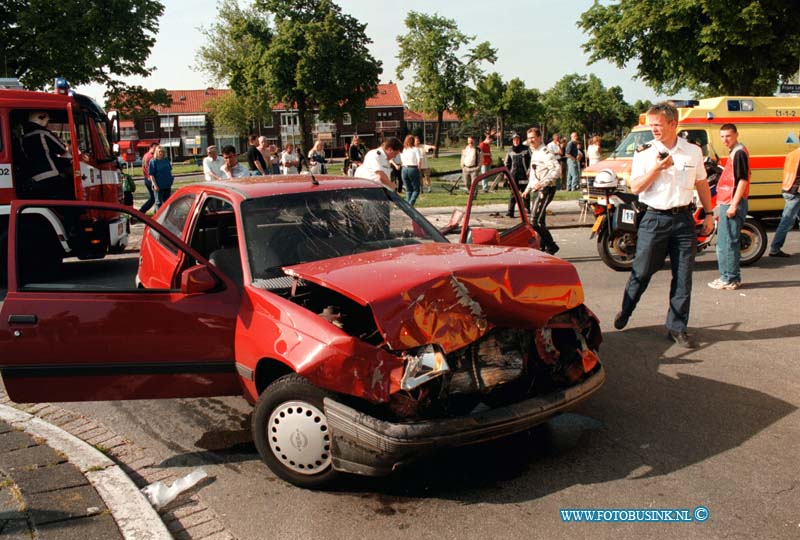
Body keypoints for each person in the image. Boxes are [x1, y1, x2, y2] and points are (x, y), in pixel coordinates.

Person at [613, 102, 714, 349]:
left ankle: (677, 327)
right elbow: (636, 187)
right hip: (654, 219)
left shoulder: (692, 151)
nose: (653, 129)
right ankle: (627, 309)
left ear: (673, 124)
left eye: (657, 125)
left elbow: (701, 183)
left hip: (683, 221)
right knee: (643, 271)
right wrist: (657, 169)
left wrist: (709, 214)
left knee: (683, 277)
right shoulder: (644, 152)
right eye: (651, 125)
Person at [708, 124, 750, 290]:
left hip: (733, 203)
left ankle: (730, 278)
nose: (725, 140)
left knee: (728, 242)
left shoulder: (739, 152)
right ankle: (728, 276)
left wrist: (733, 205)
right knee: (725, 242)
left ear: (736, 135)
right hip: (728, 201)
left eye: (728, 136)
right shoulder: (736, 151)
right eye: (722, 136)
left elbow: (742, 180)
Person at [19, 111, 74, 200]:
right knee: (70, 193)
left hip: (34, 178)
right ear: (41, 120)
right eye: (48, 122)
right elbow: (62, 150)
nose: (47, 125)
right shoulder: (43, 133)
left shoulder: (23, 138)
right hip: (51, 175)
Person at [523, 127, 561, 255]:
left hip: (547, 188)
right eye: (529, 138)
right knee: (540, 220)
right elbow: (534, 175)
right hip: (538, 188)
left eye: (533, 137)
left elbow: (557, 169)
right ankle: (543, 249)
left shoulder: (545, 152)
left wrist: (543, 183)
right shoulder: (535, 152)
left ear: (539, 138)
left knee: (535, 221)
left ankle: (551, 246)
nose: (530, 140)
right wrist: (527, 189)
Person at [768, 146, 800, 257]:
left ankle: (775, 248)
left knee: (788, 220)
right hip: (796, 192)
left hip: (788, 189)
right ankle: (775, 248)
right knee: (786, 221)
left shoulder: (791, 154)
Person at [504, 134, 531, 218]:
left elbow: (532, 160)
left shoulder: (526, 149)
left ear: (520, 140)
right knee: (513, 193)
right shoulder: (510, 151)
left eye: (517, 140)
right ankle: (510, 211)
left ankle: (527, 209)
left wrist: (530, 169)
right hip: (514, 175)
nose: (516, 141)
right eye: (514, 140)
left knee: (525, 192)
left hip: (524, 174)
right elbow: (507, 163)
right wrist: (506, 174)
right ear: (512, 141)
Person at [148, 146, 174, 210]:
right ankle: (157, 218)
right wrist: (154, 185)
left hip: (167, 185)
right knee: (158, 202)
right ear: (156, 152)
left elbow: (169, 170)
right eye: (159, 151)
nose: (161, 153)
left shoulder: (166, 160)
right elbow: (151, 174)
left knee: (167, 202)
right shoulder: (153, 161)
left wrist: (171, 179)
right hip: (158, 185)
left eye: (162, 151)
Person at [400, 135, 421, 206]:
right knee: (416, 189)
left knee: (408, 190)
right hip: (413, 168)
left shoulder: (403, 150)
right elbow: (419, 160)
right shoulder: (415, 149)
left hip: (404, 169)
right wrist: (419, 169)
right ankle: (411, 203)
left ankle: (407, 206)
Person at [139, 142, 158, 214]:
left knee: (154, 198)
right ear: (152, 147)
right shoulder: (151, 157)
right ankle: (141, 212)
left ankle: (142, 212)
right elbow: (152, 170)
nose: (157, 149)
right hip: (150, 179)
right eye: (155, 147)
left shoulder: (145, 155)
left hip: (146, 179)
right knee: (155, 198)